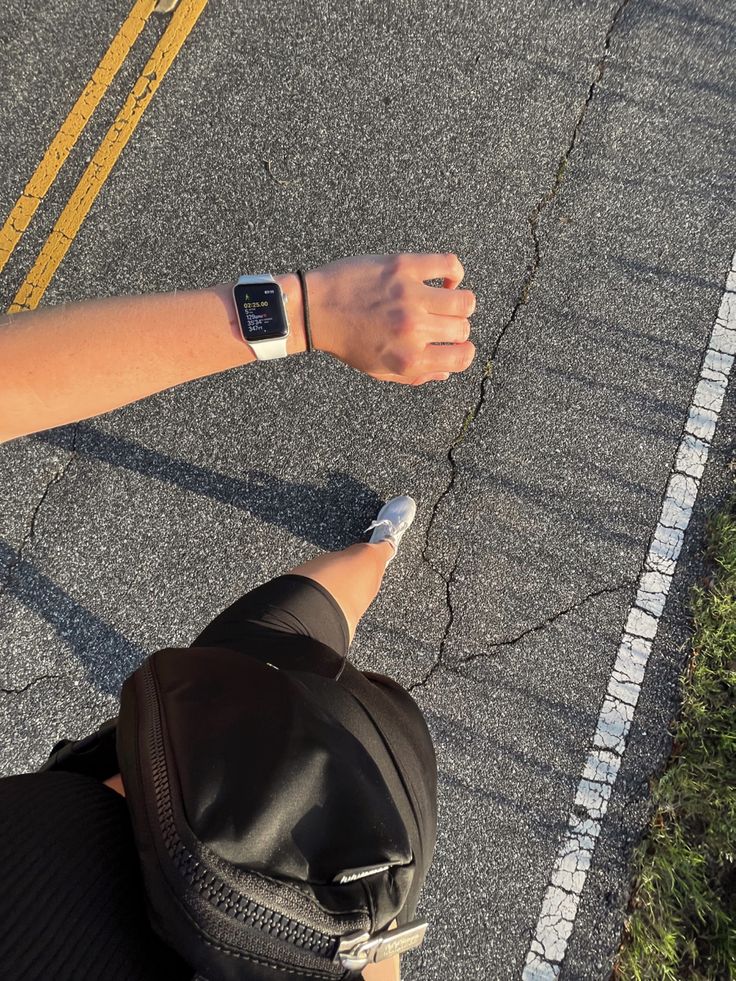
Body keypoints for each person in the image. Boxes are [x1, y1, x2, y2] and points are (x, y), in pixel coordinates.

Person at [0, 252, 477, 981]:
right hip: (239, 853)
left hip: (140, 777)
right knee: (284, 636)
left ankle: (375, 549)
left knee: (285, 628)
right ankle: (378, 547)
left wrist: (309, 310)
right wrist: (304, 310)